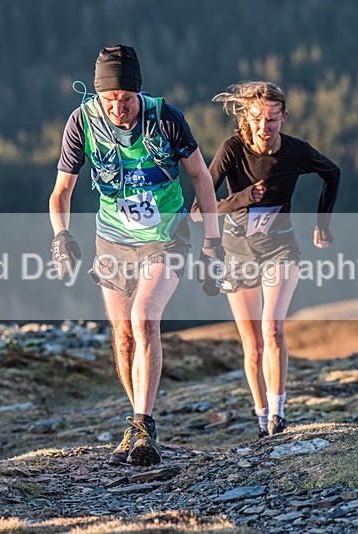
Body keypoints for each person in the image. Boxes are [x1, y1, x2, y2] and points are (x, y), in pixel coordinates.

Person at [49, 45, 223, 466]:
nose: (118, 108)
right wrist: (61, 237)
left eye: (126, 99)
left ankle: (144, 424)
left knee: (144, 317)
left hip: (167, 235)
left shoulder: (166, 118)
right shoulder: (81, 123)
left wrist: (212, 243)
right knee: (123, 334)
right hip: (112, 240)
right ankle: (137, 421)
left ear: (138, 92)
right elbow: (61, 192)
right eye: (109, 99)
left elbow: (201, 177)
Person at [192, 81, 340, 438]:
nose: (264, 127)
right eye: (257, 119)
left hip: (280, 247)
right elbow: (199, 210)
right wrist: (243, 198)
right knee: (253, 345)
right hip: (237, 251)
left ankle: (278, 414)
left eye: (272, 119)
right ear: (247, 116)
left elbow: (332, 173)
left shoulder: (295, 151)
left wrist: (322, 224)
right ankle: (261, 419)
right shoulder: (232, 149)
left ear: (283, 117)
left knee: (272, 327)